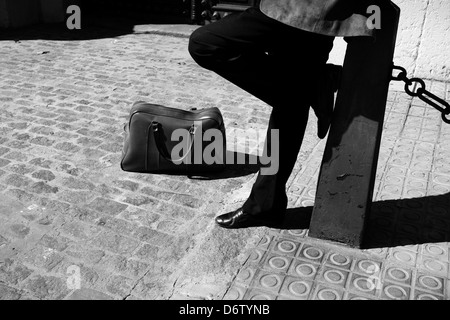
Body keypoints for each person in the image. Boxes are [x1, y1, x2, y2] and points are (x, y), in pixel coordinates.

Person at [188, 0, 375, 228]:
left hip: (306, 10)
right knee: (292, 98)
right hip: (298, 11)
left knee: (205, 43)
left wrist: (367, 19)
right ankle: (266, 204)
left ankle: (313, 85)